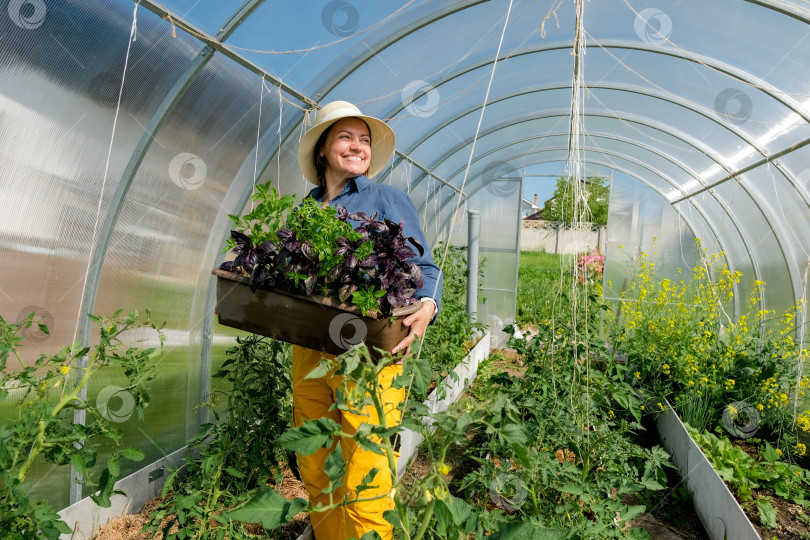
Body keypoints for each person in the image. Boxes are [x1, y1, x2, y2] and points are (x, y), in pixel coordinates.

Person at [292, 101, 442, 540]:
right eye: (345, 136)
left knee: (366, 472)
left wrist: (427, 307)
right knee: (316, 465)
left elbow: (425, 269)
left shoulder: (388, 200)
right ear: (323, 150)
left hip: (369, 352)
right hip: (310, 348)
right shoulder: (308, 208)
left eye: (364, 139)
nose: (357, 146)